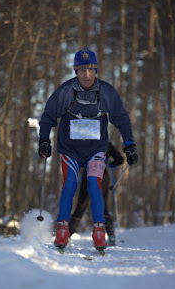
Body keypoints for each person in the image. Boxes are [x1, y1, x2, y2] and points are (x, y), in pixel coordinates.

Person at [39, 48, 138, 251]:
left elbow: (122, 119)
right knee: (69, 186)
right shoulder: (66, 91)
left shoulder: (106, 92)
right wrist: (44, 140)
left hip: (96, 150)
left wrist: (129, 144)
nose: (86, 75)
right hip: (71, 150)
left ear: (96, 70)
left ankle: (99, 231)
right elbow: (48, 116)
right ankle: (62, 229)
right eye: (82, 70)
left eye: (91, 70)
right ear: (76, 71)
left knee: (95, 186)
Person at [69, 142, 124, 246]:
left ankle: (67, 235)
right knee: (102, 207)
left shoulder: (86, 142)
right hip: (102, 174)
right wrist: (110, 163)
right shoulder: (106, 143)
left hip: (88, 174)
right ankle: (111, 236)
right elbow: (119, 159)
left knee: (81, 206)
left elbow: (77, 159)